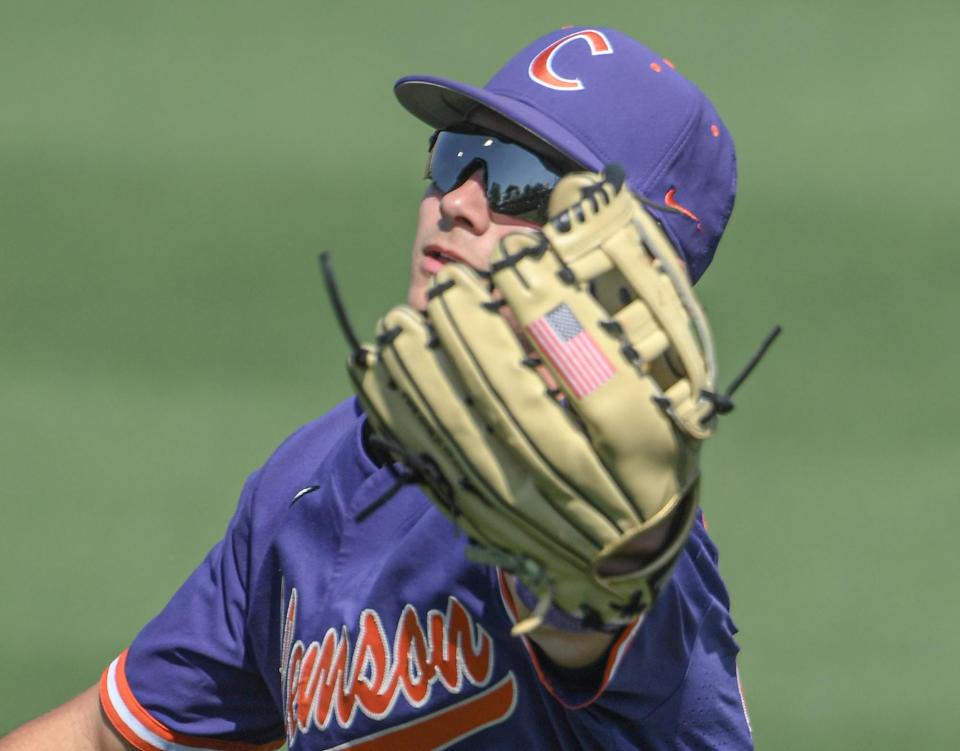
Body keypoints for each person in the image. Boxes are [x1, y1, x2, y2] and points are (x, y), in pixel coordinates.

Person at [0, 26, 752, 751]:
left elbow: (604, 601)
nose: (459, 200)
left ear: (631, 271)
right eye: (456, 158)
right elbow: (109, 733)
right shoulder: (312, 471)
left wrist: (606, 572)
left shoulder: (619, 518)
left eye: (522, 185)